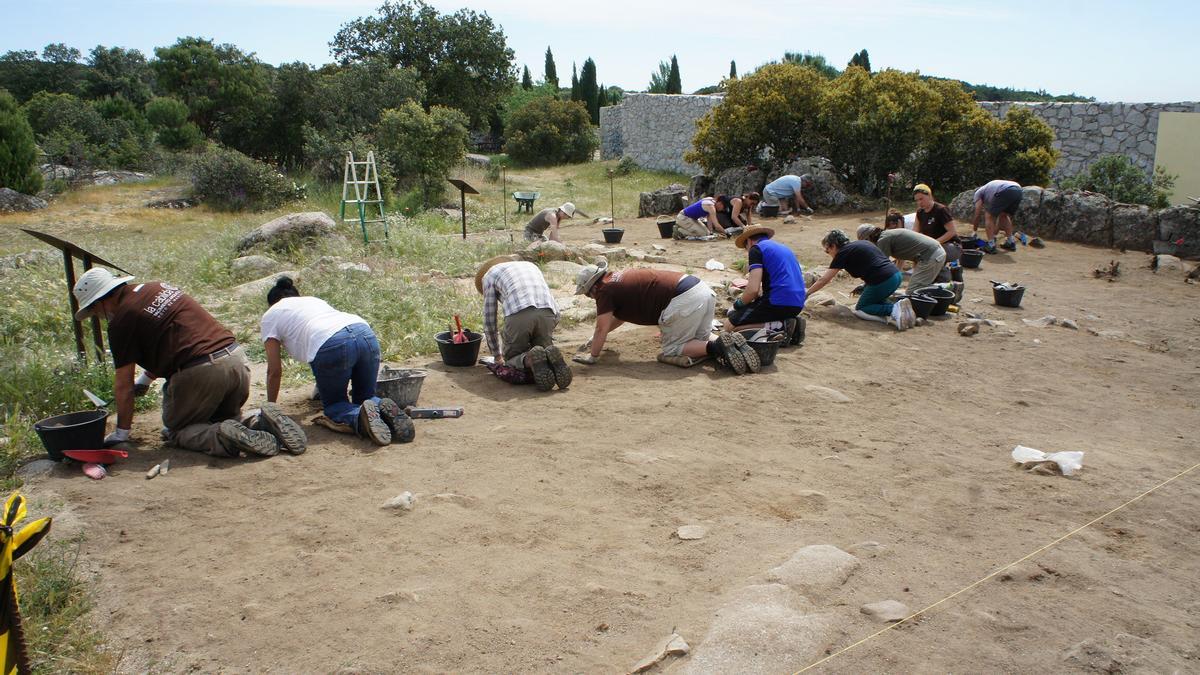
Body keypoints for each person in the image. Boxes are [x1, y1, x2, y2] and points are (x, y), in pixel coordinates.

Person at [72, 268, 306, 458]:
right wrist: (145, 380)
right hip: (236, 361)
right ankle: (258, 422)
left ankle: (222, 440)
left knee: (177, 429)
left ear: (100, 301)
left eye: (94, 311)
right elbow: (175, 337)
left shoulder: (121, 320)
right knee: (225, 418)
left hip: (201, 372)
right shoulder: (158, 287)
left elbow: (123, 385)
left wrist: (121, 433)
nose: (99, 317)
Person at [260, 277, 412, 446]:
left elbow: (274, 370)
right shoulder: (312, 301)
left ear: (272, 303)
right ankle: (383, 407)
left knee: (335, 405)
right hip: (364, 333)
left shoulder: (271, 315)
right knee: (365, 397)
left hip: (331, 345)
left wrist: (270, 409)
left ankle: (358, 418)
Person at [571, 260, 761, 374]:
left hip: (683, 299)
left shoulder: (604, 290)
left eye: (588, 294)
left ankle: (718, 346)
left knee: (672, 349)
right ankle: (731, 343)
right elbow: (619, 318)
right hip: (700, 289)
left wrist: (593, 355)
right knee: (697, 341)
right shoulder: (616, 280)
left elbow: (601, 328)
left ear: (592, 287)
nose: (590, 297)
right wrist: (594, 340)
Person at [475, 254, 571, 391]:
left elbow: (489, 319)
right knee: (542, 351)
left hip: (519, 313)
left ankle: (530, 358)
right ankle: (550, 357)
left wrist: (497, 356)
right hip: (548, 312)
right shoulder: (531, 266)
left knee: (512, 359)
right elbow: (554, 304)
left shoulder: (489, 275)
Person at [806, 230, 916, 330]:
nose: (828, 253)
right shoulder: (862, 243)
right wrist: (864, 286)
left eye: (827, 250)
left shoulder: (842, 253)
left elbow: (824, 279)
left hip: (883, 279)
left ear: (833, 246)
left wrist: (807, 293)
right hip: (895, 275)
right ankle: (904, 312)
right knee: (875, 302)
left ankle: (893, 311)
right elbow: (874, 263)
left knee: (861, 308)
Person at [724, 226, 806, 343]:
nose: (747, 250)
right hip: (797, 303)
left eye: (745, 247)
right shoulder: (784, 248)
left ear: (749, 241)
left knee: (729, 327)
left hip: (778, 302)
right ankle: (786, 324)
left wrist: (737, 305)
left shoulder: (756, 249)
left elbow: (753, 290)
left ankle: (781, 326)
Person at [856, 224, 946, 291]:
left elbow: (881, 267)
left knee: (913, 291)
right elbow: (901, 257)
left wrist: (867, 284)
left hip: (930, 256)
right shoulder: (888, 234)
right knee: (918, 286)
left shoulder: (883, 240)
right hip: (934, 253)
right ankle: (944, 287)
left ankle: (946, 288)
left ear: (868, 238)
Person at [912, 184, 963, 265]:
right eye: (917, 200)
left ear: (929, 195)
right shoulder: (919, 212)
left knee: (930, 255)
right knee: (916, 253)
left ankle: (944, 274)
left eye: (921, 199)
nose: (919, 202)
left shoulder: (941, 210)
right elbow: (915, 233)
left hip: (952, 246)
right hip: (933, 246)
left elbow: (952, 232)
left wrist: (934, 243)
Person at [971, 179, 1024, 252]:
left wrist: (974, 231)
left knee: (988, 215)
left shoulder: (978, 193)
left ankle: (990, 245)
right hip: (1018, 190)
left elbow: (977, 213)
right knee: (1003, 215)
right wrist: (994, 234)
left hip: (1006, 190)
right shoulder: (990, 191)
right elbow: (998, 218)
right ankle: (1010, 242)